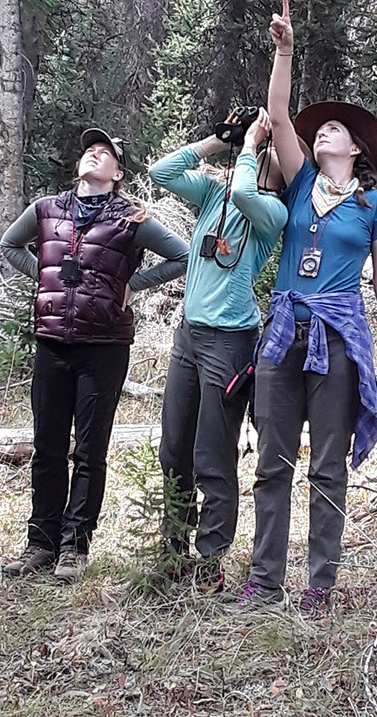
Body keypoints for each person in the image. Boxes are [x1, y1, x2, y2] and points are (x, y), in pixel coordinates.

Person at [234, 0, 377, 613]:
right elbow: (279, 114)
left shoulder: (373, 206)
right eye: (320, 130)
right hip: (284, 333)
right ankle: (264, 581)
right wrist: (284, 50)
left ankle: (318, 587)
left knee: (328, 468)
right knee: (272, 460)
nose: (322, 131)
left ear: (356, 149)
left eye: (334, 129)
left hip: (337, 338)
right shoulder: (302, 180)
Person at [0, 128, 189, 583]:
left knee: (89, 450)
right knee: (47, 447)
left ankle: (74, 549)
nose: (94, 153)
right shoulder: (45, 210)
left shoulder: (132, 217)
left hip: (104, 345)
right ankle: (39, 544)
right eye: (89, 149)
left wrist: (132, 286)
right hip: (52, 342)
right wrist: (43, 279)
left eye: (105, 153)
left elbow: (184, 256)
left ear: (118, 173)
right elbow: (10, 245)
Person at [149, 108, 288, 593]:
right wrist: (216, 140)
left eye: (262, 156)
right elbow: (160, 172)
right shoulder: (213, 194)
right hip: (188, 337)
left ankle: (210, 561)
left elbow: (248, 190)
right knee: (174, 449)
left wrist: (251, 144)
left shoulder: (273, 213)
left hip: (229, 343)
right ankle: (172, 553)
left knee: (212, 454)